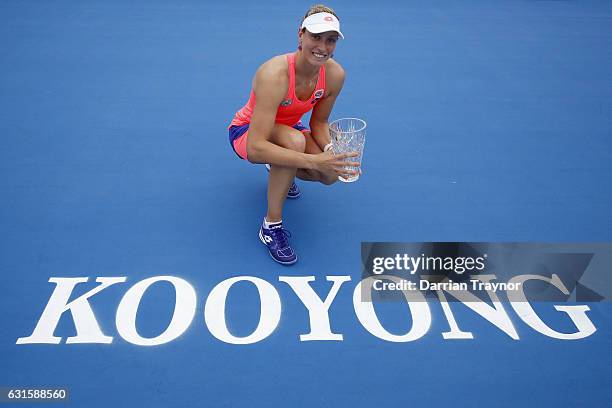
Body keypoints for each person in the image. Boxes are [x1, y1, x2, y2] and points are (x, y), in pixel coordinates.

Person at [228, 4, 360, 265]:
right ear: (300, 35)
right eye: (315, 37)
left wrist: (332, 154)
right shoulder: (274, 74)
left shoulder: (335, 75)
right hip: (247, 131)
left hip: (291, 130)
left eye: (330, 40)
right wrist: (312, 160)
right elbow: (255, 149)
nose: (322, 46)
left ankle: (279, 165)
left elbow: (320, 123)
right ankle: (271, 227)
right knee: (294, 143)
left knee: (330, 174)